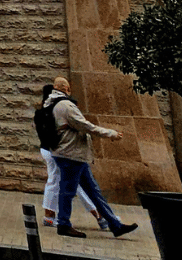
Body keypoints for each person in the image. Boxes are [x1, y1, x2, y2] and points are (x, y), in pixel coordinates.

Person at [46, 76, 138, 238]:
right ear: (66, 89)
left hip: (72, 154)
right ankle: (64, 224)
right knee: (68, 191)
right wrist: (110, 133)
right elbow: (86, 126)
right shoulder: (65, 105)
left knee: (93, 191)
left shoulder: (51, 104)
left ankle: (115, 225)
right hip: (71, 154)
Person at [37, 84, 107, 229]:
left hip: (47, 150)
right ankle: (99, 215)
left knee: (55, 181)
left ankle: (50, 216)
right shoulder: (57, 109)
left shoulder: (41, 112)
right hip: (60, 151)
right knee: (74, 183)